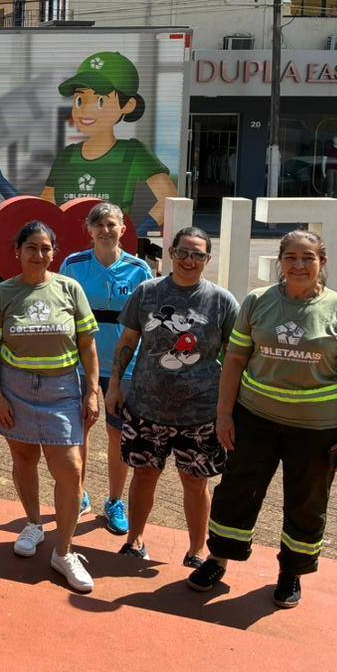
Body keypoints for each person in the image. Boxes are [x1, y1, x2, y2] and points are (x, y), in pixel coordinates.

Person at [188, 230, 337, 609]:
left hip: (318, 430)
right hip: (255, 419)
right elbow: (235, 359)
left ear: (322, 262)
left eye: (308, 257)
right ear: (280, 261)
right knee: (237, 491)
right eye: (291, 257)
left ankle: (291, 572)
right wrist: (224, 414)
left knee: (306, 503)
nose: (299, 265)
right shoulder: (258, 301)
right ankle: (218, 559)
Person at [0, 221, 100, 593]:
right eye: (31, 247)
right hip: (15, 388)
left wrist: (92, 391)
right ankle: (33, 523)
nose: (39, 254)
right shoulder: (3, 292)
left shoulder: (70, 288)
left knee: (70, 469)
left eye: (46, 248)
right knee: (24, 458)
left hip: (62, 390)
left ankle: (64, 551)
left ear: (54, 252)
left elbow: (87, 344)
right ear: (18, 251)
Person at [108, 226, 238, 566]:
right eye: (182, 252)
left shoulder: (222, 301)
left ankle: (196, 550)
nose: (189, 260)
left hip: (200, 413)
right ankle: (135, 540)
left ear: (208, 259)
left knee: (195, 483)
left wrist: (230, 406)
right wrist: (115, 385)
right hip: (146, 407)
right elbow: (128, 342)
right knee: (143, 476)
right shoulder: (147, 292)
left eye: (197, 254)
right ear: (171, 253)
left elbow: (235, 357)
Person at [60, 202, 153, 535]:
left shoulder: (140, 269)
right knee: (79, 430)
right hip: (81, 365)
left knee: (118, 435)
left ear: (122, 229)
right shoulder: (73, 265)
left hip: (123, 368)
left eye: (111, 224)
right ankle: (78, 493)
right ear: (89, 229)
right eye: (98, 225)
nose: (105, 230)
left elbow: (146, 321)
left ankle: (114, 501)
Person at [40, 51, 178, 228]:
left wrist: (137, 233)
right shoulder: (67, 155)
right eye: (79, 100)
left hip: (110, 243)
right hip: (67, 242)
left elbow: (169, 198)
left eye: (100, 101)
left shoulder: (132, 152)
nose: (85, 110)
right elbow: (46, 205)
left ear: (128, 105)